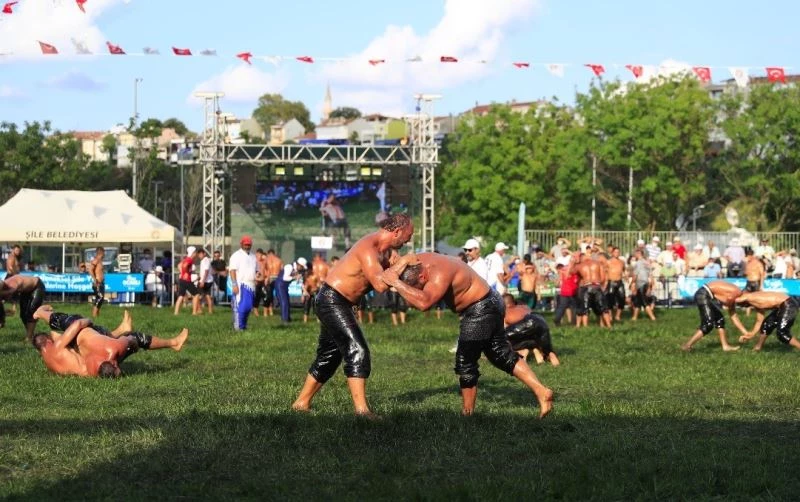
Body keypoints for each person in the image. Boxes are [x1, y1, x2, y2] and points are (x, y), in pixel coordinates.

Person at [381, 253, 553, 418]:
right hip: (490, 302)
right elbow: (408, 257)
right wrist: (396, 270)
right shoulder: (420, 259)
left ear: (422, 278)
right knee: (500, 354)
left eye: (420, 287)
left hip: (480, 308)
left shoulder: (440, 274)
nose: (422, 289)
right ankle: (542, 391)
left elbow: (424, 302)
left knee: (466, 361)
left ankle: (467, 413)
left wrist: (396, 282)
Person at [292, 213, 415, 418]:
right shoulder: (369, 249)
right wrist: (403, 263)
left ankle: (301, 403)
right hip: (332, 300)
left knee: (330, 355)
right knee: (357, 350)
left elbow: (390, 277)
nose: (410, 239)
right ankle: (362, 411)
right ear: (397, 232)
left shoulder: (385, 251)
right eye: (408, 235)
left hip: (340, 302)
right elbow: (380, 285)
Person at [31, 306, 188, 378]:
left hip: (89, 358)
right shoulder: (57, 347)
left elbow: (55, 337)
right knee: (71, 320)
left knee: (99, 337)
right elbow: (75, 326)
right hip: (91, 342)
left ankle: (121, 329)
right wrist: (88, 321)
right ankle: (40, 312)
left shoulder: (49, 361)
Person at [680, 281, 746, 352]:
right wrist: (728, 305)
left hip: (703, 293)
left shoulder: (736, 293)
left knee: (719, 319)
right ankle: (687, 345)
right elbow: (730, 305)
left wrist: (745, 333)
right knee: (708, 324)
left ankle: (725, 346)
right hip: (703, 294)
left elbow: (733, 316)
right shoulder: (738, 293)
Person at [502, 294, 560, 366]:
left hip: (527, 323)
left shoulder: (504, 312)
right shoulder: (524, 307)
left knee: (501, 338)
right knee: (540, 343)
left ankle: (522, 351)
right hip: (540, 320)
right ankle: (548, 354)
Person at [736, 291, 800, 351]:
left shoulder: (748, 297)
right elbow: (759, 320)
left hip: (789, 304)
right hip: (783, 305)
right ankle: (757, 348)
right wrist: (752, 334)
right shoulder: (755, 302)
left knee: (782, 334)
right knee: (766, 325)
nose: (740, 306)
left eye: (740, 305)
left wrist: (730, 299)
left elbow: (736, 298)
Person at [570, 251, 611, 328]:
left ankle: (586, 327)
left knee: (585, 308)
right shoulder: (598, 263)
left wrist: (572, 262)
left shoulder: (580, 265)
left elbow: (571, 272)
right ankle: (609, 326)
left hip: (586, 286)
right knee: (603, 307)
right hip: (597, 286)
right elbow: (602, 278)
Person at [0, 274, 46, 340]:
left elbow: (9, 293)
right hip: (26, 291)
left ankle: (29, 338)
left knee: (31, 311)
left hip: (37, 286)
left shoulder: (12, 284)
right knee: (23, 314)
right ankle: (31, 334)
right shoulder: (4, 285)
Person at [229, 236, 258, 331]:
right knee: (241, 306)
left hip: (251, 285)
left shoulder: (253, 257)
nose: (247, 246)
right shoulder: (236, 255)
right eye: (245, 244)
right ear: (241, 244)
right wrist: (234, 284)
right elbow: (232, 270)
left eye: (249, 244)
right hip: (240, 284)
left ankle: (244, 325)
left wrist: (258, 275)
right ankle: (238, 326)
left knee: (249, 307)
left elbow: (257, 270)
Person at [173, 247, 200, 316]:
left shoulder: (185, 259)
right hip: (187, 280)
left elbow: (179, 265)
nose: (196, 254)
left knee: (181, 296)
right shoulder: (190, 259)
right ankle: (194, 312)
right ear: (193, 253)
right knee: (196, 294)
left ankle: (176, 313)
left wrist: (182, 273)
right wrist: (185, 272)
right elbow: (185, 266)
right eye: (195, 252)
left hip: (181, 279)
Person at [605, 247, 627, 322]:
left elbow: (624, 270)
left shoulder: (621, 262)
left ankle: (618, 315)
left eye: (618, 252)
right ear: (612, 253)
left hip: (619, 281)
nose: (617, 253)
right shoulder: (608, 262)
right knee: (610, 299)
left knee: (622, 298)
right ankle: (610, 315)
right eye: (615, 252)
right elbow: (605, 271)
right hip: (611, 281)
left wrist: (625, 276)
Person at [88, 246, 106, 318]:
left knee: (100, 299)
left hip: (101, 282)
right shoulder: (96, 260)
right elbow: (90, 269)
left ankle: (97, 315)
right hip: (97, 282)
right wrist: (94, 279)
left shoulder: (100, 261)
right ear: (101, 252)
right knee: (100, 298)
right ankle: (94, 316)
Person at [196, 248, 215, 314]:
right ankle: (210, 311)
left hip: (205, 281)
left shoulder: (205, 260)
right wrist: (199, 277)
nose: (199, 256)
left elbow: (206, 271)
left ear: (204, 254)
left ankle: (199, 310)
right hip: (208, 280)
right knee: (207, 295)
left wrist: (202, 281)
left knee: (197, 295)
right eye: (198, 255)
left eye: (200, 254)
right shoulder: (204, 260)